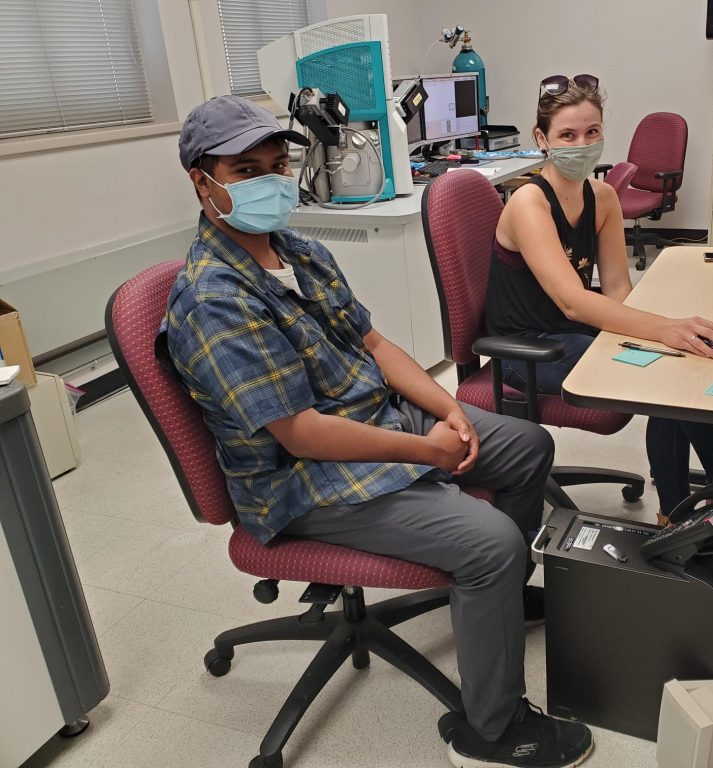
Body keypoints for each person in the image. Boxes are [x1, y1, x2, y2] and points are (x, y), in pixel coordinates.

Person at [159, 95, 593, 768]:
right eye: (246, 171)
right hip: (304, 479)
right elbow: (302, 435)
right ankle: (492, 730)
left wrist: (447, 410)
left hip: (370, 416)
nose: (271, 182)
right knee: (494, 543)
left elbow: (375, 342)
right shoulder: (215, 298)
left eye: (278, 165)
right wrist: (426, 449)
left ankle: (487, 601)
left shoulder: (293, 249)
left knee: (526, 445)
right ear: (201, 179)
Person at [485, 74, 713, 549]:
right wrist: (661, 331)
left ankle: (682, 508)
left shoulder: (603, 197)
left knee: (684, 362)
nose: (582, 144)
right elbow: (573, 300)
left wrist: (662, 333)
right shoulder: (529, 202)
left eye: (592, 132)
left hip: (580, 331)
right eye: (567, 136)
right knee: (664, 373)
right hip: (530, 348)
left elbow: (617, 287)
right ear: (542, 139)